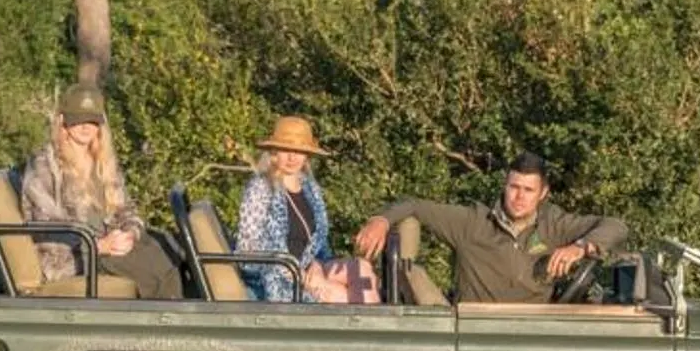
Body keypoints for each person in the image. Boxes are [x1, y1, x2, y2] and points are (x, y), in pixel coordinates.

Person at [350, 153, 628, 304]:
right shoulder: (472, 222)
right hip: (479, 330)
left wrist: (579, 248)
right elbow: (414, 206)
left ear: (543, 193)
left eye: (528, 190)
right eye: (514, 187)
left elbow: (615, 226)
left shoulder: (554, 224)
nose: (519, 197)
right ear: (504, 186)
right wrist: (382, 220)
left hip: (535, 327)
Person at [17, 81, 187, 299]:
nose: (86, 126)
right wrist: (100, 246)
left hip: (108, 244)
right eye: (78, 120)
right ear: (63, 122)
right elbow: (50, 231)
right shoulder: (45, 166)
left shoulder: (102, 161)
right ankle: (165, 325)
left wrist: (129, 234)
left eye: (92, 120)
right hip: (74, 255)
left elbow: (126, 208)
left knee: (169, 248)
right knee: (154, 271)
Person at [233, 116, 378, 303]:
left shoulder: (310, 188)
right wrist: (299, 274)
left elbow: (319, 246)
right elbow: (249, 249)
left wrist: (316, 266)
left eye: (298, 151)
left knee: (362, 269)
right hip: (276, 275)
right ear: (274, 151)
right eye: (286, 150)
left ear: (306, 155)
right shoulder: (260, 188)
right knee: (341, 295)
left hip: (310, 268)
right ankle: (373, 329)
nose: (292, 158)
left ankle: (373, 326)